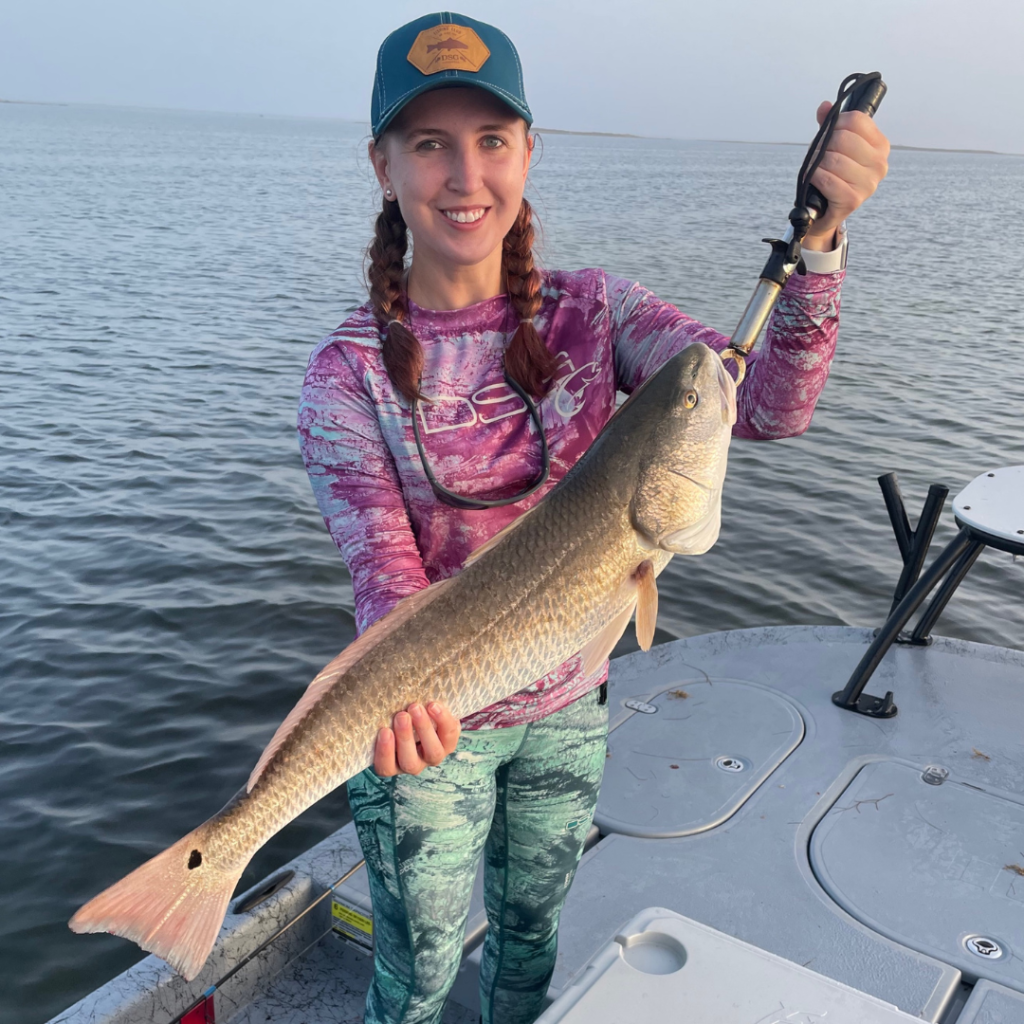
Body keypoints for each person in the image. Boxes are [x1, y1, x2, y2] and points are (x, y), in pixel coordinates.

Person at [298, 12, 889, 1024]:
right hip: (429, 731)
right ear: (381, 164)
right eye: (429, 143)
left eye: (491, 140)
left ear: (529, 150)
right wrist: (396, 713)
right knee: (418, 970)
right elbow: (390, 591)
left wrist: (824, 241)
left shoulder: (596, 312)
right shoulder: (346, 378)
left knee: (530, 943)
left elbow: (768, 402)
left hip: (570, 711)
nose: (463, 175)